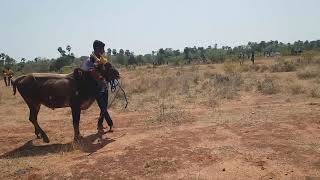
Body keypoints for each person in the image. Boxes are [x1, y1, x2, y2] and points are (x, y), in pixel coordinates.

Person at [81, 40, 113, 132]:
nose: (103, 50)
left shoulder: (103, 60)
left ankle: (100, 124)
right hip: (96, 88)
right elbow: (89, 72)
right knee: (103, 106)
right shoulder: (89, 61)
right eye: (102, 48)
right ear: (97, 49)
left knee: (104, 106)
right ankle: (110, 123)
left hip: (105, 86)